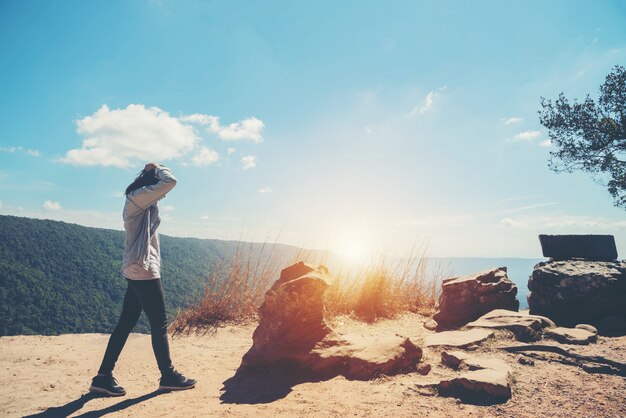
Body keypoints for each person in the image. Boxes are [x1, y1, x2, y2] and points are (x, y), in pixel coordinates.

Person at [89, 163, 196, 396]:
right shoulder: (138, 198)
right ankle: (167, 375)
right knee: (159, 324)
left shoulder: (140, 200)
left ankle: (102, 377)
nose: (162, 194)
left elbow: (165, 188)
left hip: (137, 269)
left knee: (126, 323)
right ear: (150, 184)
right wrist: (159, 167)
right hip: (143, 270)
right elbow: (170, 182)